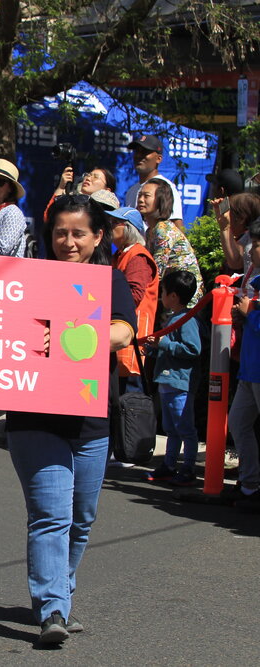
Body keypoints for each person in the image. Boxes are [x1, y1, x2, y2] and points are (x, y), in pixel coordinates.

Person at [0, 163, 136, 644]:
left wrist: (70, 333)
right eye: (61, 233)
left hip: (90, 421)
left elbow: (123, 332)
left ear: (97, 237)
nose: (68, 242)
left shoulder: (109, 281)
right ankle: (52, 610)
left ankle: (60, 594)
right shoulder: (31, 276)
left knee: (82, 519)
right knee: (52, 515)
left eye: (78, 234)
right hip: (35, 418)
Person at [143, 270, 202, 487]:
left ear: (173, 296)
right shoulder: (175, 318)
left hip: (180, 383)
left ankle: (188, 467)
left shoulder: (187, 320)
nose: (161, 296)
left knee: (184, 428)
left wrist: (164, 344)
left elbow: (193, 349)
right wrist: (153, 348)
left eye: (164, 292)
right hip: (169, 382)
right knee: (171, 429)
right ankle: (169, 465)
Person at [107, 206, 158, 392]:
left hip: (132, 338)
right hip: (121, 333)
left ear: (128, 228)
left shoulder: (138, 256)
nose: (110, 226)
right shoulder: (122, 254)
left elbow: (134, 295)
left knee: (129, 400)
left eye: (115, 223)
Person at [229, 218, 260, 513]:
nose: (252, 249)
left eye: (258, 244)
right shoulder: (255, 280)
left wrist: (251, 312)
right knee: (238, 423)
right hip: (249, 369)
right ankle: (250, 485)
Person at [137, 177, 204, 308]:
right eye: (140, 195)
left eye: (146, 196)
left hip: (185, 298)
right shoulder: (151, 230)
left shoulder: (163, 229)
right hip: (171, 293)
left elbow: (156, 270)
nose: (140, 200)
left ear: (160, 200)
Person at [123, 135, 184, 228]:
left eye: (145, 152)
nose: (139, 155)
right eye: (137, 151)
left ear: (158, 159)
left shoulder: (166, 187)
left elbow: (177, 229)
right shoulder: (131, 191)